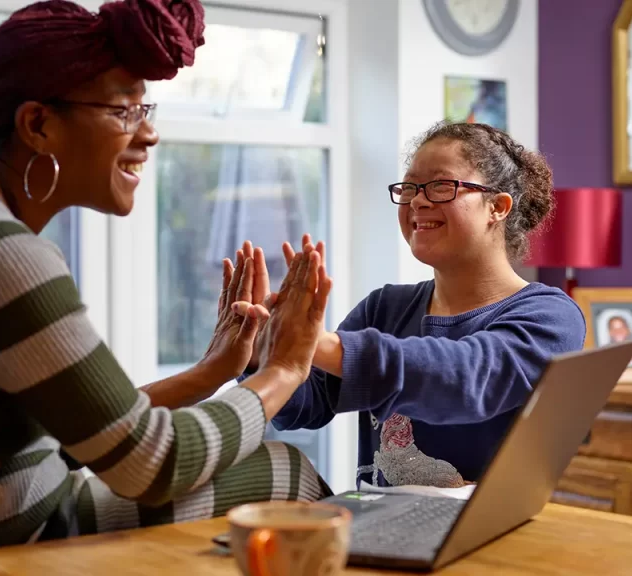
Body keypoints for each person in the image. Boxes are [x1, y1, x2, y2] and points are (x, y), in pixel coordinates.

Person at [0, 0, 333, 561]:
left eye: (146, 109)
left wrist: (212, 374)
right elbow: (153, 464)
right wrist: (284, 371)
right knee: (286, 470)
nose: (149, 135)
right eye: (124, 112)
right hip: (2, 542)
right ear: (38, 124)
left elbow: (96, 433)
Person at [236, 122, 586, 488]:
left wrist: (313, 342)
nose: (418, 200)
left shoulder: (551, 317)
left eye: (439, 185)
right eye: (410, 188)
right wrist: (263, 348)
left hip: (488, 540)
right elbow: (303, 408)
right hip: (385, 533)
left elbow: (466, 378)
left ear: (497, 207)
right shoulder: (384, 308)